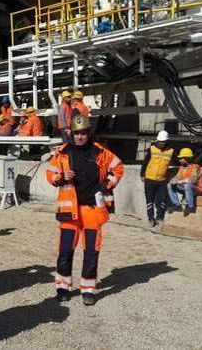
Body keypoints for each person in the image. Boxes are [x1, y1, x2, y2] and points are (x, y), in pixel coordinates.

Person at [46, 115, 123, 306]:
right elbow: (50, 173)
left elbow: (118, 168)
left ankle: (88, 289)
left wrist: (108, 183)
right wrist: (62, 177)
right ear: (71, 133)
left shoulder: (100, 152)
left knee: (91, 251)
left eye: (83, 133)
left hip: (92, 210)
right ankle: (63, 287)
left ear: (89, 133)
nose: (80, 137)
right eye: (77, 133)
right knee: (65, 250)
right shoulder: (61, 153)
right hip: (69, 212)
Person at [140, 130, 174, 227]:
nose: (161, 144)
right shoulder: (151, 149)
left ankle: (159, 218)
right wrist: (142, 174)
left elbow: (177, 162)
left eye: (163, 142)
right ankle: (151, 219)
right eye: (159, 142)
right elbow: (145, 163)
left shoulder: (171, 151)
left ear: (166, 141)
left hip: (162, 180)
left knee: (163, 200)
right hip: (149, 179)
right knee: (149, 200)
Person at [167, 148, 202, 215]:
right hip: (186, 188)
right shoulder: (182, 167)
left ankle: (190, 207)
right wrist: (172, 181)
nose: (179, 160)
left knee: (188, 185)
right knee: (169, 185)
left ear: (186, 158)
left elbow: (192, 180)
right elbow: (177, 177)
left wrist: (179, 182)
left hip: (197, 189)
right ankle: (177, 205)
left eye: (181, 158)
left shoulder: (196, 167)